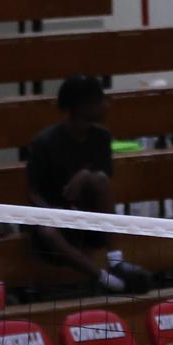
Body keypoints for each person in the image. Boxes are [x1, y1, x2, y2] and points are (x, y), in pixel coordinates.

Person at [25, 75, 140, 294]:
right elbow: (33, 192)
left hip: (88, 218)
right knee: (48, 232)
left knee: (99, 179)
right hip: (55, 219)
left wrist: (85, 175)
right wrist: (52, 214)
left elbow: (104, 179)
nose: (107, 105)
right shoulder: (44, 142)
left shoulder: (102, 137)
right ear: (82, 106)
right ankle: (105, 279)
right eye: (100, 100)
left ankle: (116, 261)